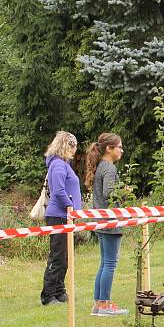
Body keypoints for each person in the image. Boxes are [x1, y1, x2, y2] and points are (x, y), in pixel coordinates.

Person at [84, 133, 128, 317]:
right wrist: (124, 191)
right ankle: (104, 305)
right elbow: (109, 192)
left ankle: (98, 303)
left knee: (104, 264)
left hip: (100, 222)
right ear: (109, 149)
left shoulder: (101, 166)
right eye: (119, 147)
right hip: (110, 222)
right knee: (110, 264)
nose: (122, 150)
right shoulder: (109, 168)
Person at [40, 131, 82, 306]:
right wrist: (70, 207)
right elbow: (58, 191)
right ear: (67, 146)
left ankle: (59, 291)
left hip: (66, 216)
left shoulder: (63, 165)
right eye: (73, 147)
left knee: (64, 257)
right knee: (57, 256)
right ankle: (48, 295)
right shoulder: (58, 165)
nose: (75, 150)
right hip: (59, 215)